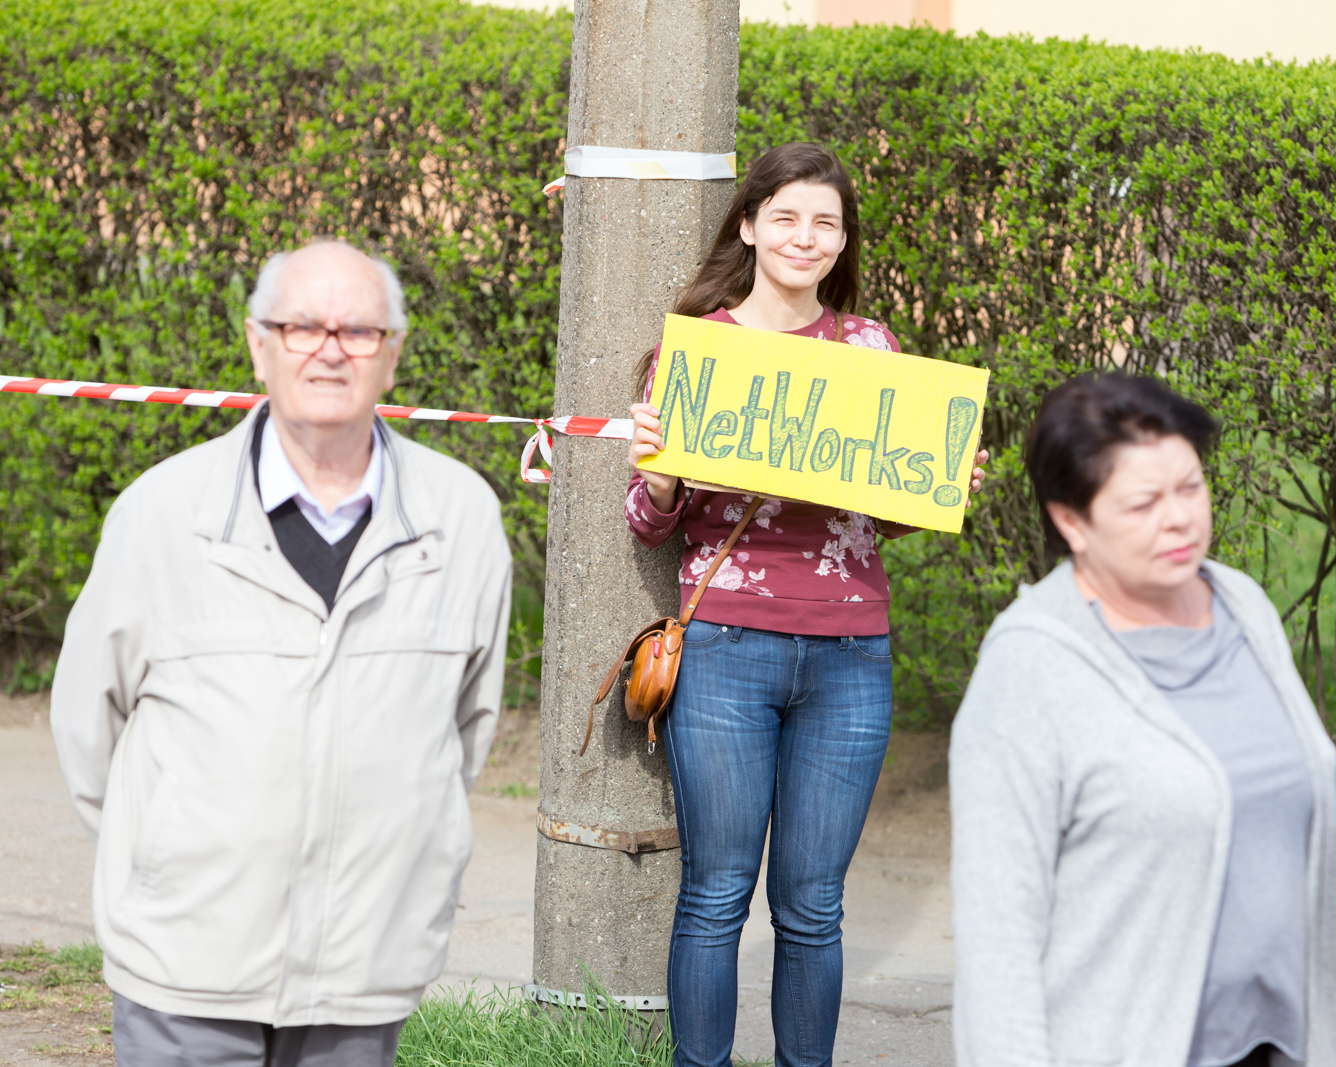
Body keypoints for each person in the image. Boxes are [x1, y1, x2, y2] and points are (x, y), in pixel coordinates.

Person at [51, 240, 512, 1067]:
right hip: (187, 966)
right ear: (260, 345)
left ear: (393, 355)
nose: (330, 348)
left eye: (359, 331)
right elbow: (90, 721)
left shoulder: (462, 518)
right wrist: (163, 852)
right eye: (302, 326)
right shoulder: (161, 512)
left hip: (365, 965)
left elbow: (462, 729)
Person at [625, 141, 986, 1067]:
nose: (804, 236)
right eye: (785, 215)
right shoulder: (697, 343)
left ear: (841, 241)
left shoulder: (870, 349)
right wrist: (661, 480)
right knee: (714, 892)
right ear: (748, 225)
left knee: (814, 905)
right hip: (726, 651)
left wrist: (937, 486)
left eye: (824, 221)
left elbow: (879, 521)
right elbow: (651, 522)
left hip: (849, 654)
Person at [948, 373, 1336, 1067]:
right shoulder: (1029, 667)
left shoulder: (1243, 603)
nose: (1180, 519)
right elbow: (998, 936)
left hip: (1285, 1041)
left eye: (1191, 487)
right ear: (1070, 520)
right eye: (1143, 502)